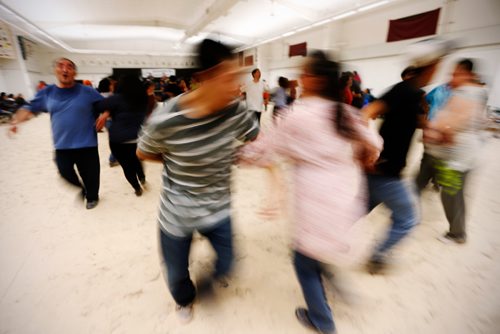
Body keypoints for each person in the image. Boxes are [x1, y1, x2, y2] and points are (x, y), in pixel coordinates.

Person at [239, 51, 382, 334]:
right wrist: (360, 156)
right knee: (326, 247)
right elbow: (374, 145)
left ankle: (322, 321)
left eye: (304, 73)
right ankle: (342, 291)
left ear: (315, 80)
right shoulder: (346, 114)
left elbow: (262, 152)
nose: (300, 78)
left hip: (315, 197)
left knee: (304, 260)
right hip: (345, 191)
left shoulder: (297, 115)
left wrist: (236, 153)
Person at [136, 39, 259, 322]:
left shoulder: (236, 110)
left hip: (219, 205)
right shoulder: (166, 117)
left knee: (228, 264)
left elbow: (255, 140)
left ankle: (209, 281)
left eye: (238, 79)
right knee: (177, 272)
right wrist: (177, 161)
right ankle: (184, 299)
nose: (237, 87)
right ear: (204, 78)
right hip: (177, 209)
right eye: (230, 79)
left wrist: (251, 156)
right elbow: (143, 152)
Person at [361, 38, 451, 273]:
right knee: (408, 219)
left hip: (383, 170)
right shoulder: (403, 91)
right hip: (385, 170)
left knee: (354, 211)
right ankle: (378, 256)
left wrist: (436, 133)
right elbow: (366, 113)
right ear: (430, 66)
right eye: (438, 65)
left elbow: (420, 123)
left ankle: (315, 242)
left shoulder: (415, 95)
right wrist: (366, 151)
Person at [9, 57, 104, 209]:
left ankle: (92, 197)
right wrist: (16, 121)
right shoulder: (47, 93)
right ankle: (82, 189)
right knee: (65, 171)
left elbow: (105, 105)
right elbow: (29, 108)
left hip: (87, 143)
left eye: (69, 67)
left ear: (74, 72)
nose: (65, 69)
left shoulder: (88, 91)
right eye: (61, 66)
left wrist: (104, 116)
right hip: (62, 145)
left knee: (91, 174)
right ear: (55, 70)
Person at [421, 59, 488, 244]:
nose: (452, 77)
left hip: (459, 157)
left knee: (451, 193)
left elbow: (452, 122)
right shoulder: (474, 93)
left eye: (456, 73)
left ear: (468, 75)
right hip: (460, 154)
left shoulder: (468, 93)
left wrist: (435, 131)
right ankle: (458, 231)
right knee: (452, 192)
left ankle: (457, 233)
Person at [95, 75, 148, 196]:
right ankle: (142, 177)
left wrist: (108, 110)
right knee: (136, 160)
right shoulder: (142, 99)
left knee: (126, 166)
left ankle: (137, 188)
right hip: (137, 138)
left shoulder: (117, 99)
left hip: (118, 140)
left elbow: (98, 105)